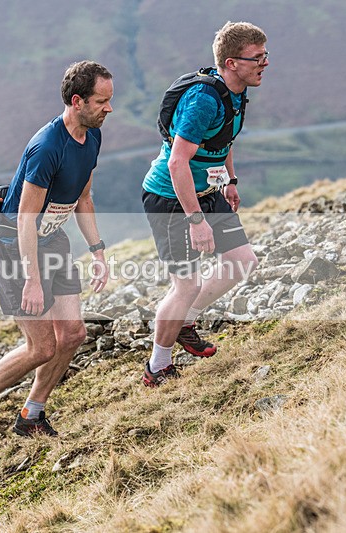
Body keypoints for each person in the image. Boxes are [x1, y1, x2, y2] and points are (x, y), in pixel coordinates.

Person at [0, 60, 112, 458]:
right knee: (41, 346)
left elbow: (84, 198)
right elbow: (26, 217)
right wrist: (31, 278)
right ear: (77, 101)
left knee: (73, 334)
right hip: (15, 246)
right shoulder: (47, 147)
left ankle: (32, 413)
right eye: (101, 101)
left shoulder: (92, 136)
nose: (108, 109)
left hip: (53, 238)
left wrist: (98, 251)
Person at [140, 21, 265, 387]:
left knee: (242, 262)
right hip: (170, 198)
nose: (265, 63)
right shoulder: (203, 100)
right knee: (187, 284)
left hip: (208, 191)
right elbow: (178, 162)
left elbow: (223, 140)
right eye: (257, 58)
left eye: (265, 56)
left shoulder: (236, 91)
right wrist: (196, 220)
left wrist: (230, 180)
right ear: (231, 62)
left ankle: (185, 322)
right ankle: (157, 366)